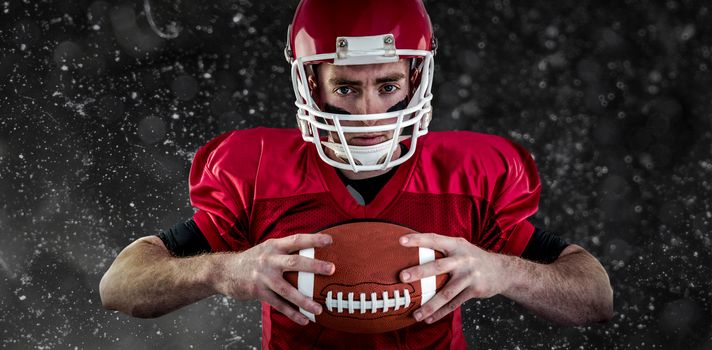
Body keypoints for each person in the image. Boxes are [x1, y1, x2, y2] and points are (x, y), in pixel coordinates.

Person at [99, 0, 614, 348]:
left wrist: (505, 271)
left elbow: (594, 296)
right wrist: (223, 271)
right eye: (346, 89)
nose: (370, 113)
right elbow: (120, 285)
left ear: (416, 77)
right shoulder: (257, 170)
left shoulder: (469, 174)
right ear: (311, 84)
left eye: (387, 85)